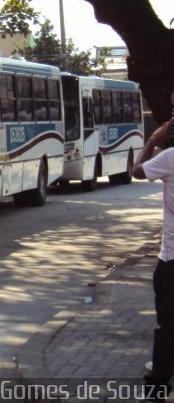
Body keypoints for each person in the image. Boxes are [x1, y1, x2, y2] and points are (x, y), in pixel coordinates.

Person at [132, 114, 174, 402]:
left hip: (172, 259)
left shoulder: (170, 157)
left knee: (168, 323)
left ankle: (160, 379)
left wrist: (152, 140)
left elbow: (136, 171)